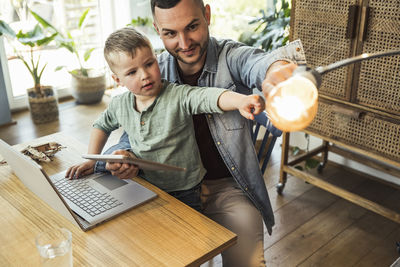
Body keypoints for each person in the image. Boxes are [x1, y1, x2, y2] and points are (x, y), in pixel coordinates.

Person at [96, 0, 306, 266]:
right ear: (157, 29)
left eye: (192, 26)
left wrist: (276, 71)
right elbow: (131, 131)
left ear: (207, 14)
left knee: (248, 262)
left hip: (227, 188)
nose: (184, 43)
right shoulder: (150, 70)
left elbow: (260, 63)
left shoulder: (231, 56)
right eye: (170, 33)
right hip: (167, 188)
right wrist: (122, 154)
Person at [65, 27, 265, 200]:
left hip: (186, 189)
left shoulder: (177, 94)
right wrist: (92, 159)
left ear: (156, 60)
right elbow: (101, 125)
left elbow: (208, 96)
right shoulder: (119, 104)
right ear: (117, 80)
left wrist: (240, 100)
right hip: (145, 182)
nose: (145, 75)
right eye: (132, 72)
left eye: (149, 64)